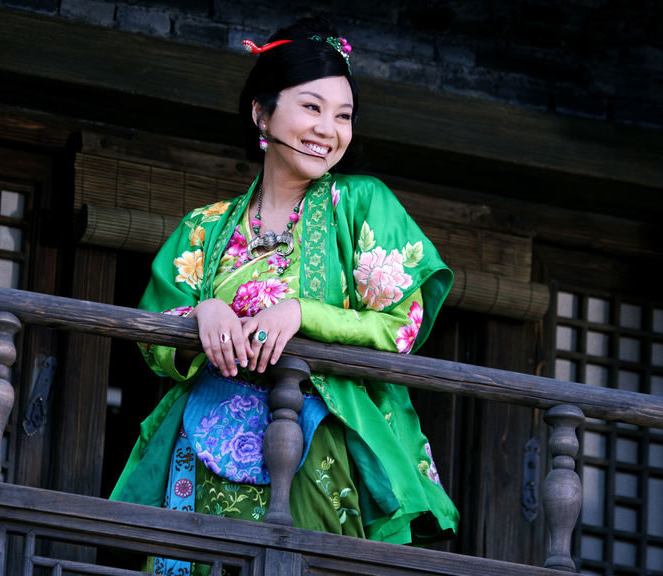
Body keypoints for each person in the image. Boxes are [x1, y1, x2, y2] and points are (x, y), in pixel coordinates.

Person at [110, 17, 459, 573]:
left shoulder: (363, 203)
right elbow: (152, 336)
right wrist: (204, 311)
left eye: (343, 116)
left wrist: (302, 311)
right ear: (261, 112)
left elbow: (400, 325)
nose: (329, 129)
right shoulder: (205, 227)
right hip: (203, 449)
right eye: (312, 108)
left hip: (314, 449)